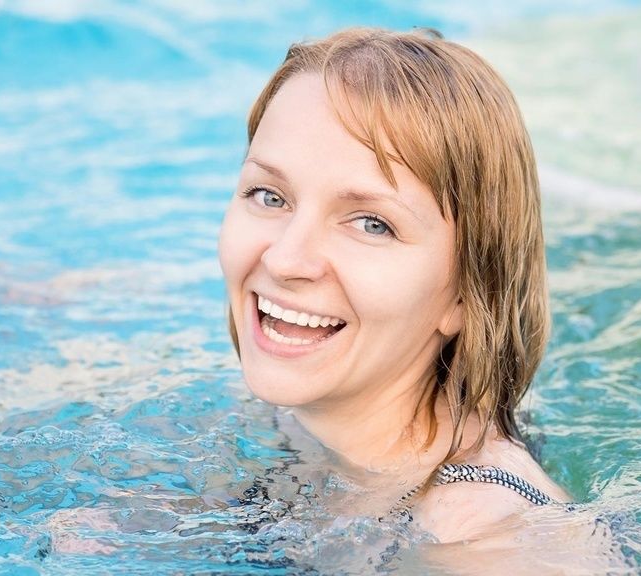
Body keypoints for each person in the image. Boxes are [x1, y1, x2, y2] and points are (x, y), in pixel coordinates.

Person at [218, 27, 571, 545]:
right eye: (269, 196)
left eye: (371, 224)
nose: (286, 258)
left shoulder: (484, 535)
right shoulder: (282, 420)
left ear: (467, 295)